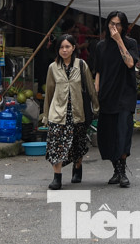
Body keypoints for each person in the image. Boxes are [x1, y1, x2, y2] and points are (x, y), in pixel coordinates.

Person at [41, 34, 99, 190]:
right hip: (58, 113)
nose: (64, 50)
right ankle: (57, 177)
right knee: (56, 145)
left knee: (77, 144)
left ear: (74, 48)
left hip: (78, 112)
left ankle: (77, 166)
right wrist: (46, 115)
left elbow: (90, 88)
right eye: (61, 47)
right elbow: (49, 92)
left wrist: (96, 106)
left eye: (67, 47)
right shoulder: (52, 68)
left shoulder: (82, 65)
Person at [91, 10, 138, 187]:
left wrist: (119, 41)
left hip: (125, 95)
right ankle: (116, 169)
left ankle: (123, 171)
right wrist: (96, 90)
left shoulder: (130, 43)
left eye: (118, 24)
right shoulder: (100, 46)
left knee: (123, 132)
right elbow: (98, 71)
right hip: (107, 95)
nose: (114, 27)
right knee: (108, 135)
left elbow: (130, 63)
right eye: (112, 24)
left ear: (124, 26)